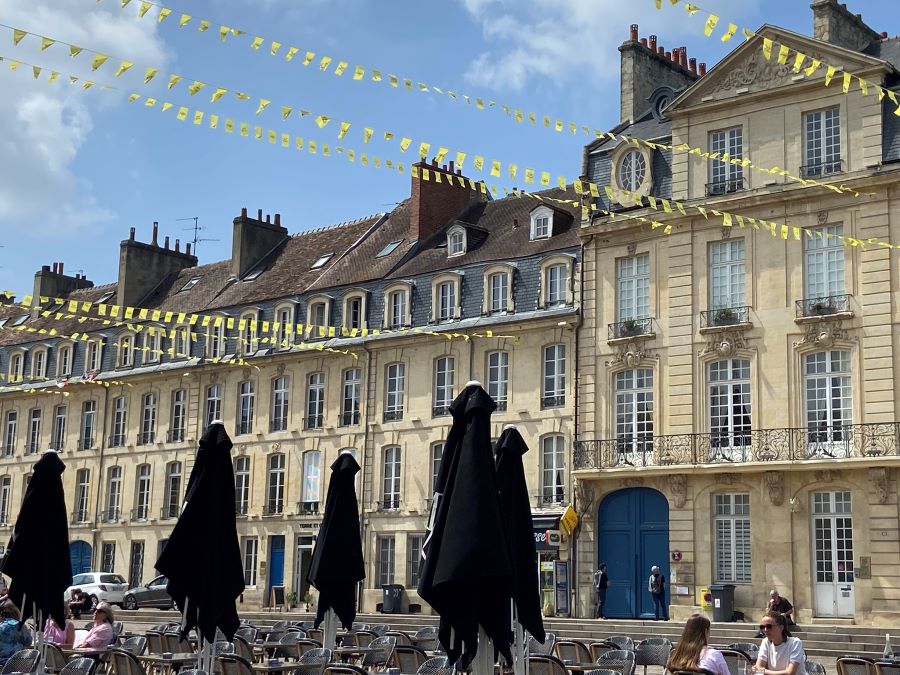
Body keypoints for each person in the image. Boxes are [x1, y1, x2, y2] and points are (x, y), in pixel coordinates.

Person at [755, 610, 805, 675]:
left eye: (769, 627)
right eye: (762, 627)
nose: (765, 630)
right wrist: (760, 670)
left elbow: (790, 673)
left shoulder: (794, 643)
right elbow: (759, 667)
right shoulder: (765, 642)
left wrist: (763, 671)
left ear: (781, 627)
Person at [0, 599, 33, 668]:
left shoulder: (1, 625)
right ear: (16, 611)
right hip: (16, 664)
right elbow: (28, 642)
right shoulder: (19, 625)